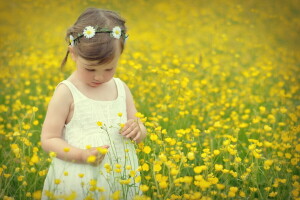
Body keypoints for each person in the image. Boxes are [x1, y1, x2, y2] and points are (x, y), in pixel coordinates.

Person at [41, 8, 147, 200]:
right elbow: (48, 139)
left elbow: (138, 128)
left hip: (120, 178)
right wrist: (81, 155)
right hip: (78, 179)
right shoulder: (66, 92)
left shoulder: (121, 88)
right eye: (90, 69)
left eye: (109, 68)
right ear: (73, 53)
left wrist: (138, 129)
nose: (99, 77)